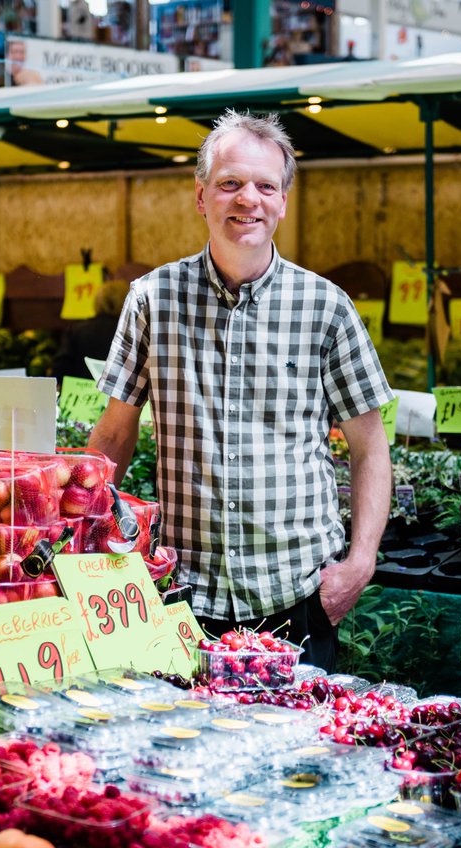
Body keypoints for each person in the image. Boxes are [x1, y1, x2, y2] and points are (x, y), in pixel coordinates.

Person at [89, 110, 394, 671]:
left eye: (264, 186)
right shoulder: (152, 301)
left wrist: (360, 563)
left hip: (297, 595)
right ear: (202, 197)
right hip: (183, 595)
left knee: (301, 756)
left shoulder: (327, 308)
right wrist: (79, 535)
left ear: (282, 201)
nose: (247, 199)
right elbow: (113, 435)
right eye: (230, 183)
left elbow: (371, 447)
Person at [52, 280, 130, 382]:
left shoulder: (76, 329)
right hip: (118, 394)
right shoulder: (131, 331)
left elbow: (61, 366)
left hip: (81, 393)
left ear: (97, 302)